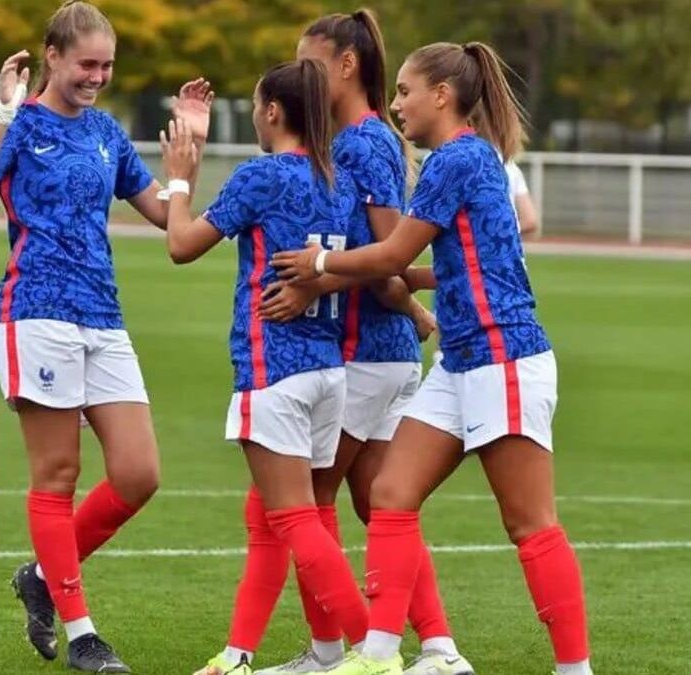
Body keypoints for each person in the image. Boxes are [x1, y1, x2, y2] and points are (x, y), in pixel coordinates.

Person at [272, 41, 592, 675]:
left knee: (529, 524)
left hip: (503, 358)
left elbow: (391, 256)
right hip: (462, 360)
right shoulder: (467, 159)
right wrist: (355, 278)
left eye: (406, 92)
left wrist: (322, 264)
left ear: (441, 96)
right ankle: (383, 656)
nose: (396, 104)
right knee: (391, 492)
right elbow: (457, 263)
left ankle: (574, 669)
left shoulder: (456, 160)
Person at [0, 1, 212, 671]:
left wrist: (188, 159)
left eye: (107, 65)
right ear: (53, 57)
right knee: (58, 473)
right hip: (34, 313)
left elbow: (163, 213)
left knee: (138, 472)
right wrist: (3, 111)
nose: (97, 76)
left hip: (103, 316)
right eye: (86, 63)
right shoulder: (20, 123)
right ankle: (83, 633)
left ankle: (40, 574)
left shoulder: (104, 131)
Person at [246, 10, 471, 675]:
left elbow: (387, 256)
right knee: (380, 504)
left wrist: (318, 283)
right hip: (378, 350)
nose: (300, 77)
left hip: (366, 352)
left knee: (302, 504)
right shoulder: (351, 139)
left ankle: (337, 652)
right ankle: (438, 646)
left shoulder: (361, 144)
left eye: (310, 63)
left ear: (346, 65)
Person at [156, 59, 370, 675]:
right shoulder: (337, 180)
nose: (253, 116)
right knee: (287, 515)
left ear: (273, 111)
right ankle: (258, 654)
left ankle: (373, 650)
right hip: (329, 370)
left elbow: (181, 244)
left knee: (294, 520)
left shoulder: (262, 177)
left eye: (255, 106)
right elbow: (353, 261)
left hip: (273, 368)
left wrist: (179, 181)